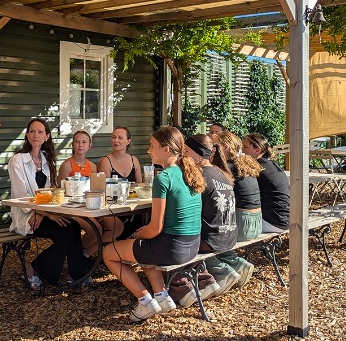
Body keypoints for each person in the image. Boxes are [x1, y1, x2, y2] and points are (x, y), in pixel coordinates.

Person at [102, 126, 205, 323]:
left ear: (166, 149)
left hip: (173, 248)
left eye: (152, 146)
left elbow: (155, 228)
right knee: (143, 248)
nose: (149, 151)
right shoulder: (190, 173)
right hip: (192, 245)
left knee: (109, 252)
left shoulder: (163, 178)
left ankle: (145, 301)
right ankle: (162, 296)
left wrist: (139, 235)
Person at [8, 118, 89, 291]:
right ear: (27, 135)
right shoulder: (17, 160)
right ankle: (33, 269)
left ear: (47, 136)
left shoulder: (46, 161)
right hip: (27, 215)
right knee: (66, 232)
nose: (35, 135)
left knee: (72, 227)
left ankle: (78, 274)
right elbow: (21, 195)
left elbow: (51, 193)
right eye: (32, 131)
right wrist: (42, 213)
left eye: (40, 132)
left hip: (43, 213)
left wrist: (50, 212)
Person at [180, 134, 239, 301]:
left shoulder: (200, 176)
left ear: (198, 153)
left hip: (213, 240)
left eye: (186, 151)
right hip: (230, 235)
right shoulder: (221, 172)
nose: (183, 155)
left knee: (179, 243)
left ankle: (215, 274)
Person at [58, 129, 120, 256]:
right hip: (73, 209)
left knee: (117, 227)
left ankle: (84, 253)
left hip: (91, 206)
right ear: (72, 145)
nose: (80, 145)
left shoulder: (92, 166)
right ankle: (75, 255)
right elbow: (61, 192)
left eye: (84, 142)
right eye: (77, 142)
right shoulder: (66, 165)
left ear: (89, 145)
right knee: (95, 229)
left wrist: (99, 209)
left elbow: (96, 190)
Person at [212, 130, 262, 286]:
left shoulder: (226, 168)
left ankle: (231, 267)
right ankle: (237, 264)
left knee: (208, 234)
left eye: (213, 145)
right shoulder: (244, 163)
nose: (210, 149)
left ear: (224, 147)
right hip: (257, 222)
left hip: (242, 224)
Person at [241, 133, 290, 233]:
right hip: (283, 219)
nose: (242, 151)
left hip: (272, 223)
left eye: (245, 147)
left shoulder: (258, 168)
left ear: (257, 150)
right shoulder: (270, 164)